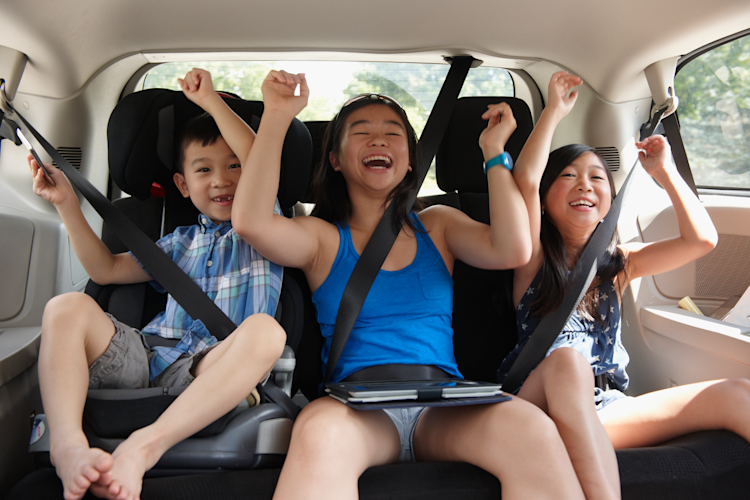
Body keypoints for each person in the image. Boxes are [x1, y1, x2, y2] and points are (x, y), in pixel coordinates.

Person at [195, 66, 587, 499]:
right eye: (361, 132)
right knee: (319, 431)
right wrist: (277, 115)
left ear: (411, 161)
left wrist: (494, 154)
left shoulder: (438, 226)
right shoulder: (322, 239)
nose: (378, 140)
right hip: (359, 410)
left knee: (532, 428)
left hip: (443, 406)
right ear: (335, 160)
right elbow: (251, 222)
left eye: (393, 133)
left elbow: (513, 249)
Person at [29, 79, 286, 500]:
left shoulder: (266, 226)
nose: (221, 181)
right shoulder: (178, 243)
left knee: (266, 331)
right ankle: (68, 444)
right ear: (182, 185)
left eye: (235, 166)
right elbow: (106, 269)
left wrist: (208, 100)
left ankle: (143, 448)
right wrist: (66, 204)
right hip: (147, 357)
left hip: (213, 367)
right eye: (204, 170)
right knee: (66, 307)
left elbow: (259, 158)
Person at [500, 70, 750, 500]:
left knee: (737, 393)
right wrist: (554, 111)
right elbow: (525, 179)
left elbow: (701, 240)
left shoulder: (619, 264)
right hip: (539, 405)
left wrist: (665, 172)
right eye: (568, 176)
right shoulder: (531, 257)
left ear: (610, 203)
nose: (584, 183)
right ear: (544, 198)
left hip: (606, 407)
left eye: (597, 177)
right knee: (567, 364)